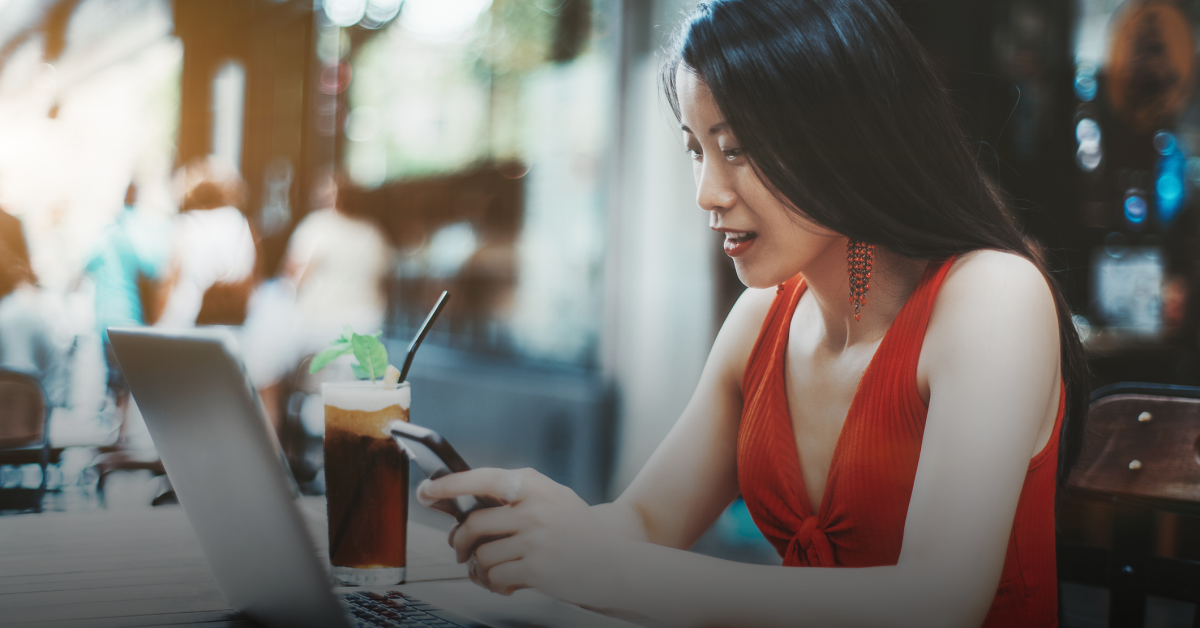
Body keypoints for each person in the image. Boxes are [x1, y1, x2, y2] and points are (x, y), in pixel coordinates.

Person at [415, 1, 1088, 626]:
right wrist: (548, 529)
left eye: (736, 148)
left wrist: (609, 568)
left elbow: (937, 604)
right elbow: (647, 523)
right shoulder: (762, 317)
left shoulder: (994, 297)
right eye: (695, 149)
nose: (707, 192)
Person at [156, 157, 257, 328]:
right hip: (227, 323)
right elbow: (251, 277)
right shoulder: (241, 223)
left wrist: (157, 322)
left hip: (186, 320)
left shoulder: (186, 224)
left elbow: (169, 280)